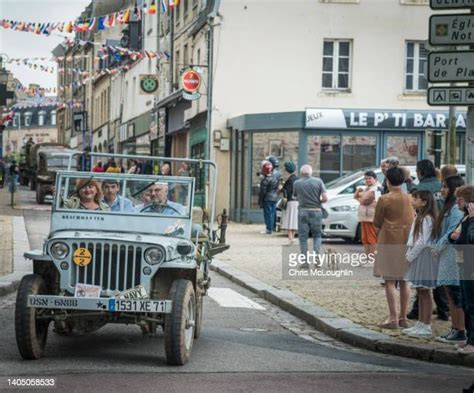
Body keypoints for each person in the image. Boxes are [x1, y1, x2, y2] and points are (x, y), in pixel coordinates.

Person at [407, 159, 449, 321]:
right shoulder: (441, 186)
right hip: (443, 232)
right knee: (439, 276)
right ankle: (444, 309)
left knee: (423, 284)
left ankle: (420, 314)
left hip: (427, 236)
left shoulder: (421, 189)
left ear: (420, 172)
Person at [373, 167, 414, 329]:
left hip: (389, 240)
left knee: (390, 281)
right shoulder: (410, 198)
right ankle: (403, 317)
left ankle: (393, 317)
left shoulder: (385, 199)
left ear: (388, 181)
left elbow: (377, 222)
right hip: (407, 241)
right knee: (405, 281)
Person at [431, 175, 466, 343]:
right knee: (449, 292)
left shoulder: (456, 209)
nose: (442, 190)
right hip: (445, 255)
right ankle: (455, 328)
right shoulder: (449, 207)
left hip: (451, 255)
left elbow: (452, 231)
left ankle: (459, 329)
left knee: (454, 293)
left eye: (444, 187)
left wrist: (438, 247)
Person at [403, 190, 439, 337]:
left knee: (425, 291)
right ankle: (420, 322)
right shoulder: (421, 216)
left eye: (415, 199)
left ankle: (426, 324)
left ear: (424, 202)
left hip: (423, 256)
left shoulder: (426, 219)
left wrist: (410, 257)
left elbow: (422, 241)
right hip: (418, 255)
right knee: (420, 291)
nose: (413, 201)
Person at [450, 186, 474, 354]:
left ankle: (472, 342)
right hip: (463, 263)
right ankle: (468, 338)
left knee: (472, 305)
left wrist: (471, 221)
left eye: (460, 199)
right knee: (466, 303)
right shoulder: (465, 218)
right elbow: (454, 237)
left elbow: (469, 239)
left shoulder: (471, 219)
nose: (457, 201)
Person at [293, 164, 328, 261]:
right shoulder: (318, 181)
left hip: (303, 212)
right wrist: (318, 201)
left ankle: (304, 262)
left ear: (301, 173)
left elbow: (295, 197)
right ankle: (317, 258)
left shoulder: (296, 183)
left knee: (303, 237)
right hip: (316, 211)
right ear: (311, 172)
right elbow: (325, 198)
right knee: (317, 235)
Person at [354, 170, 381, 255]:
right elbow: (358, 199)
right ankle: (367, 257)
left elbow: (374, 202)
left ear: (375, 179)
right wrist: (359, 193)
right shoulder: (367, 188)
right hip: (364, 217)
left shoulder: (377, 189)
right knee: (364, 238)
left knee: (371, 238)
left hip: (371, 218)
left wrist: (362, 196)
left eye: (369, 178)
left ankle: (372, 258)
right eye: (366, 179)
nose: (367, 180)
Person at [280, 161, 298, 246]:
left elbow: (285, 191)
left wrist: (281, 188)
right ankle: (292, 238)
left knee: (288, 221)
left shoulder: (289, 180)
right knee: (294, 221)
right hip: (298, 202)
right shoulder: (298, 179)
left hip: (290, 202)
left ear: (287, 170)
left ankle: (290, 239)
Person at [258, 161, 279, 235]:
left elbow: (263, 192)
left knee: (267, 214)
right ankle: (272, 227)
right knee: (272, 213)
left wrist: (260, 201)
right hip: (274, 197)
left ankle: (268, 229)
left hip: (267, 198)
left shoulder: (265, 180)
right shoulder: (275, 178)